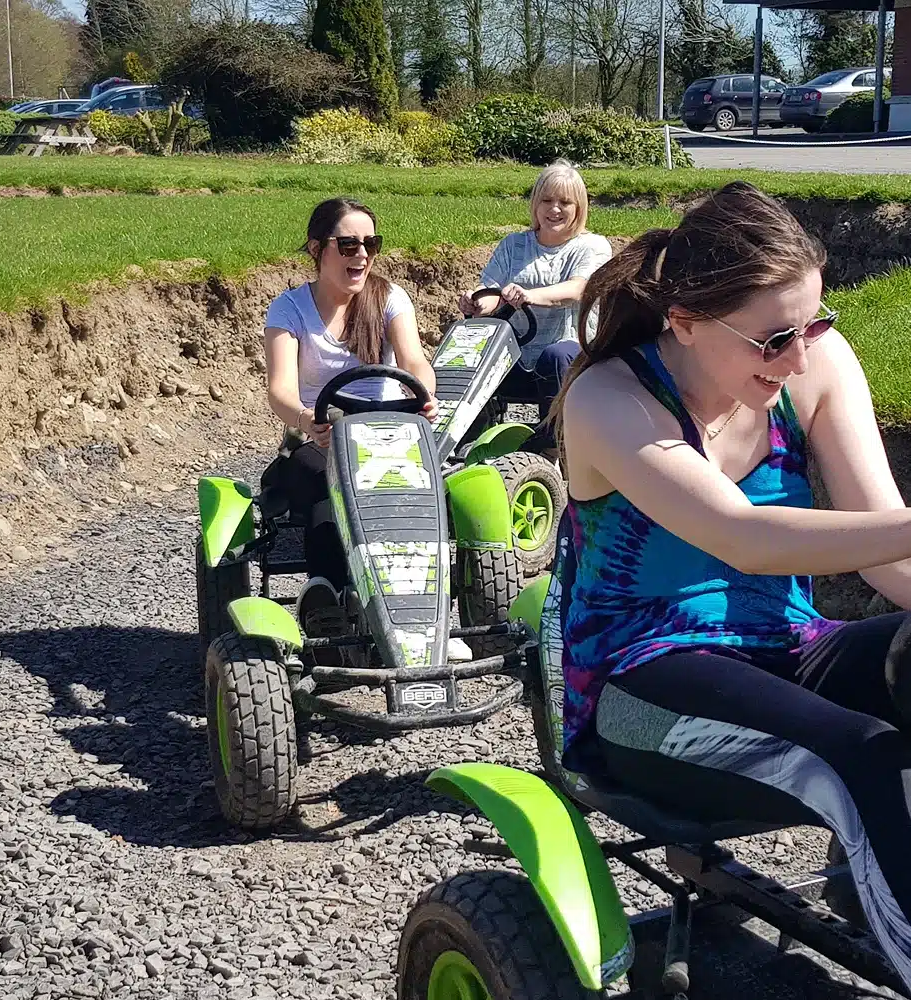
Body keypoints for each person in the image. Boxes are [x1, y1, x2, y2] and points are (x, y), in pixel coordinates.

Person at [547, 180, 911, 987]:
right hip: (642, 685)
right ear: (683, 321)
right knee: (862, 755)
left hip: (791, 646)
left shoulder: (813, 364)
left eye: (816, 323)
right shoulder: (609, 398)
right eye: (775, 338)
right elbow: (741, 538)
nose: (802, 356)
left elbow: (885, 554)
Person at [264, 196, 438, 636]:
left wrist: (424, 393)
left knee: (431, 492)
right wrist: (307, 421)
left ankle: (424, 614)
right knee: (328, 483)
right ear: (316, 249)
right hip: (318, 435)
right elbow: (280, 390)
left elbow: (414, 361)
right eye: (347, 245)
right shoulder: (289, 309)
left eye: (370, 244)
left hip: (386, 431)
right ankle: (326, 591)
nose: (361, 254)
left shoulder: (389, 298)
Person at [458, 158, 612, 456]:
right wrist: (476, 301)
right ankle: (465, 439)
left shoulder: (593, 247)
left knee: (553, 356)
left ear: (579, 207)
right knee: (471, 348)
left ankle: (555, 447)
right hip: (517, 353)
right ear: (535, 204)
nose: (554, 209)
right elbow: (491, 289)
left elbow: (579, 289)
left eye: (565, 202)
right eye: (547, 200)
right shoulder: (514, 245)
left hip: (570, 354)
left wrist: (530, 295)